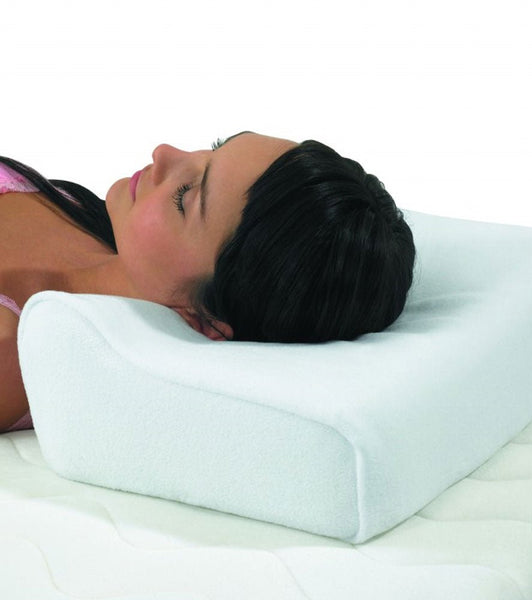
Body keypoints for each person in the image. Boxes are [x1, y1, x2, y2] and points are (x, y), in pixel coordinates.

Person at [0, 131, 416, 432]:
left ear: (207, 321)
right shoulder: (81, 215)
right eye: (213, 148)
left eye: (186, 197)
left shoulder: (12, 346)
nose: (164, 152)